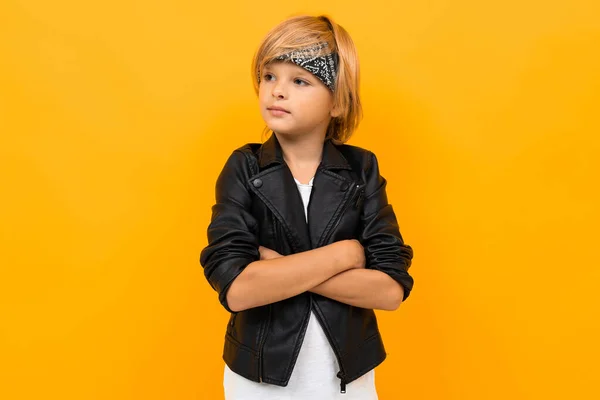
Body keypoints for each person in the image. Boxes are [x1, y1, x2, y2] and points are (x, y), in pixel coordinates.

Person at [200, 14, 415, 400]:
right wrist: (344, 254)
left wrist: (277, 267)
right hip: (257, 383)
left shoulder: (361, 170)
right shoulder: (244, 168)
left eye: (300, 80)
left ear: (338, 102)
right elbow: (236, 289)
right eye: (269, 76)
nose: (277, 91)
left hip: (348, 383)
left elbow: (389, 291)